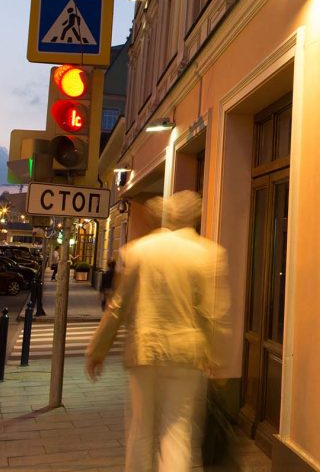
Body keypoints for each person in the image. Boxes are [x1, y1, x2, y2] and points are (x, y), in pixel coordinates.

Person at [85, 191, 229, 472]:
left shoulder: (137, 251)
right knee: (177, 432)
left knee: (141, 430)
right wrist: (217, 357)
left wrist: (97, 350)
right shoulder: (208, 254)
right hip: (187, 355)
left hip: (144, 352)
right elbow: (213, 315)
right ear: (195, 217)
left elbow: (118, 306)